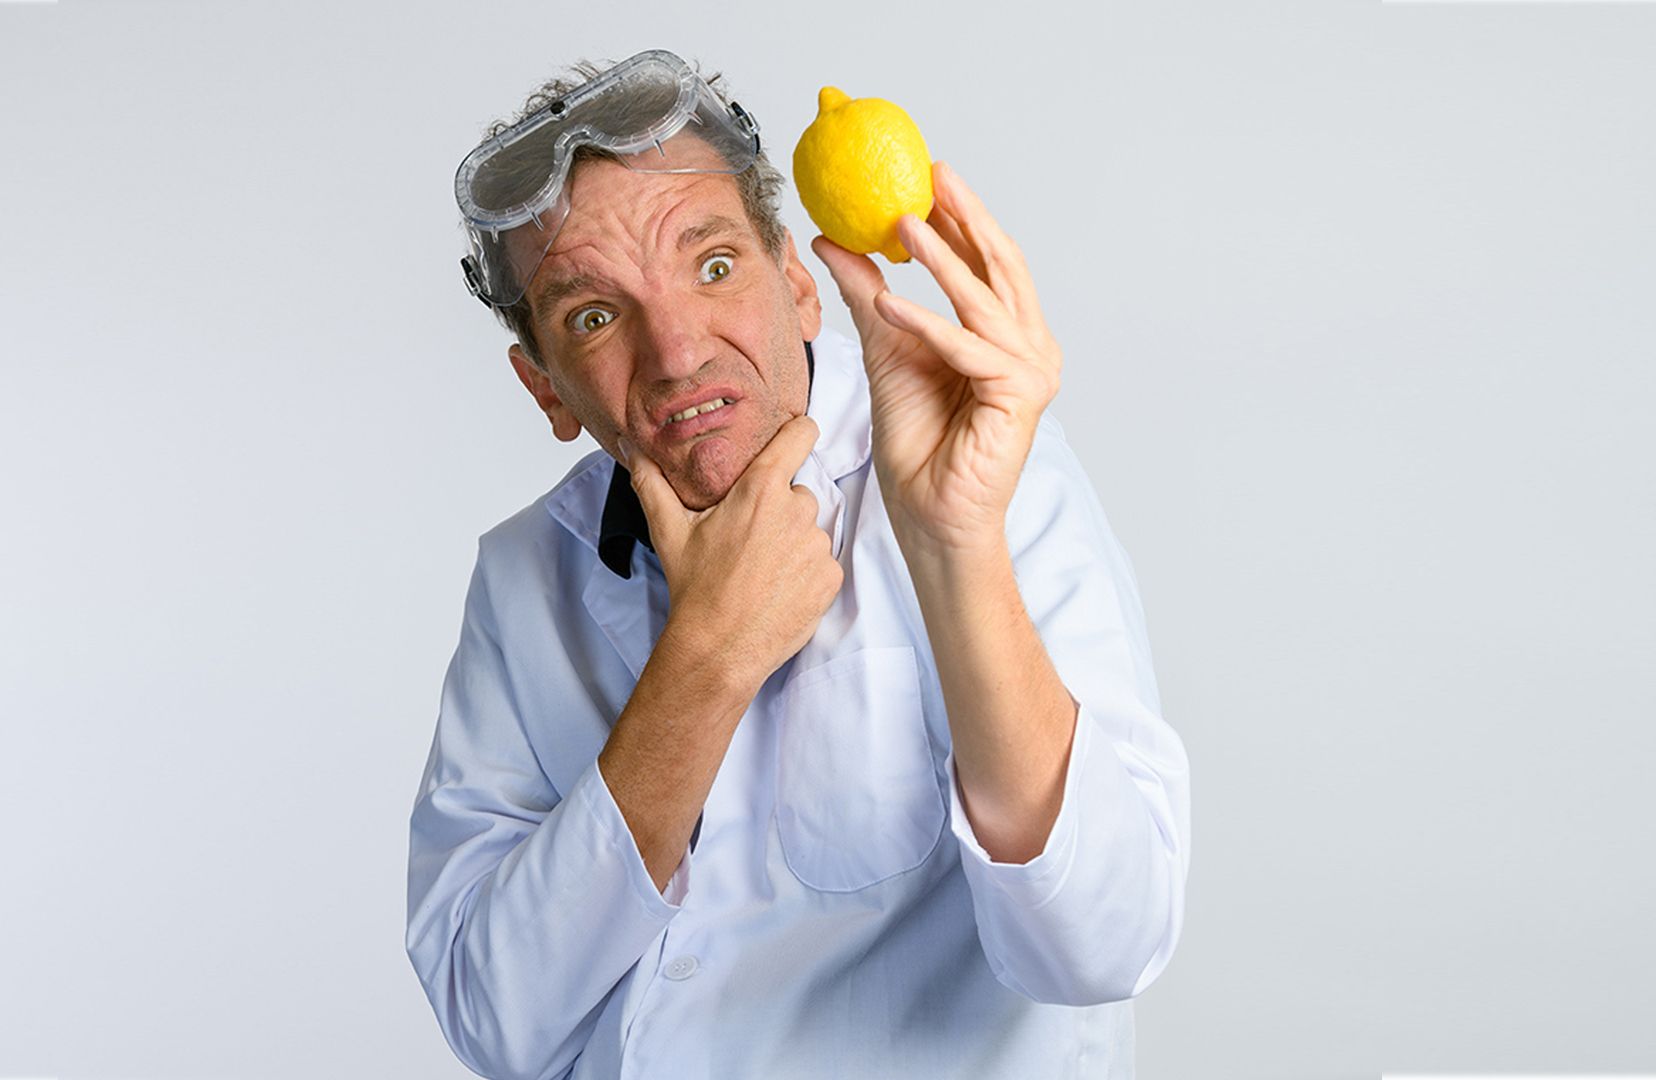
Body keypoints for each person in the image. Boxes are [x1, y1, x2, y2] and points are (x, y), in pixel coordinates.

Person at [408, 49, 1190, 1079]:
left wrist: (953, 548)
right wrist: (705, 662)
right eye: (593, 316)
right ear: (545, 387)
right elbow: (495, 1019)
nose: (678, 352)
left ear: (797, 284)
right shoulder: (523, 577)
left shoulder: (985, 473)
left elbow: (1104, 945)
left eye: (713, 266)